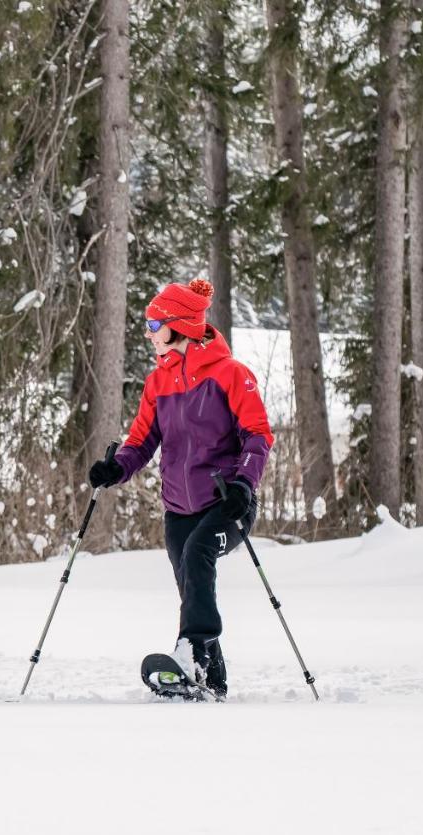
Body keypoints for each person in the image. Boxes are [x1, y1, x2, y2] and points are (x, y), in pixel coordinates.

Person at [87, 278, 273, 700]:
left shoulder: (231, 374)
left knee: (197, 554)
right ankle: (211, 679)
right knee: (191, 587)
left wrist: (245, 482)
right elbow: (140, 442)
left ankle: (190, 651)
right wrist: (113, 470)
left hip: (228, 503)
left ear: (179, 326)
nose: (149, 333)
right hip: (178, 507)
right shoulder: (158, 384)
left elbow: (258, 435)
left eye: (155, 325)